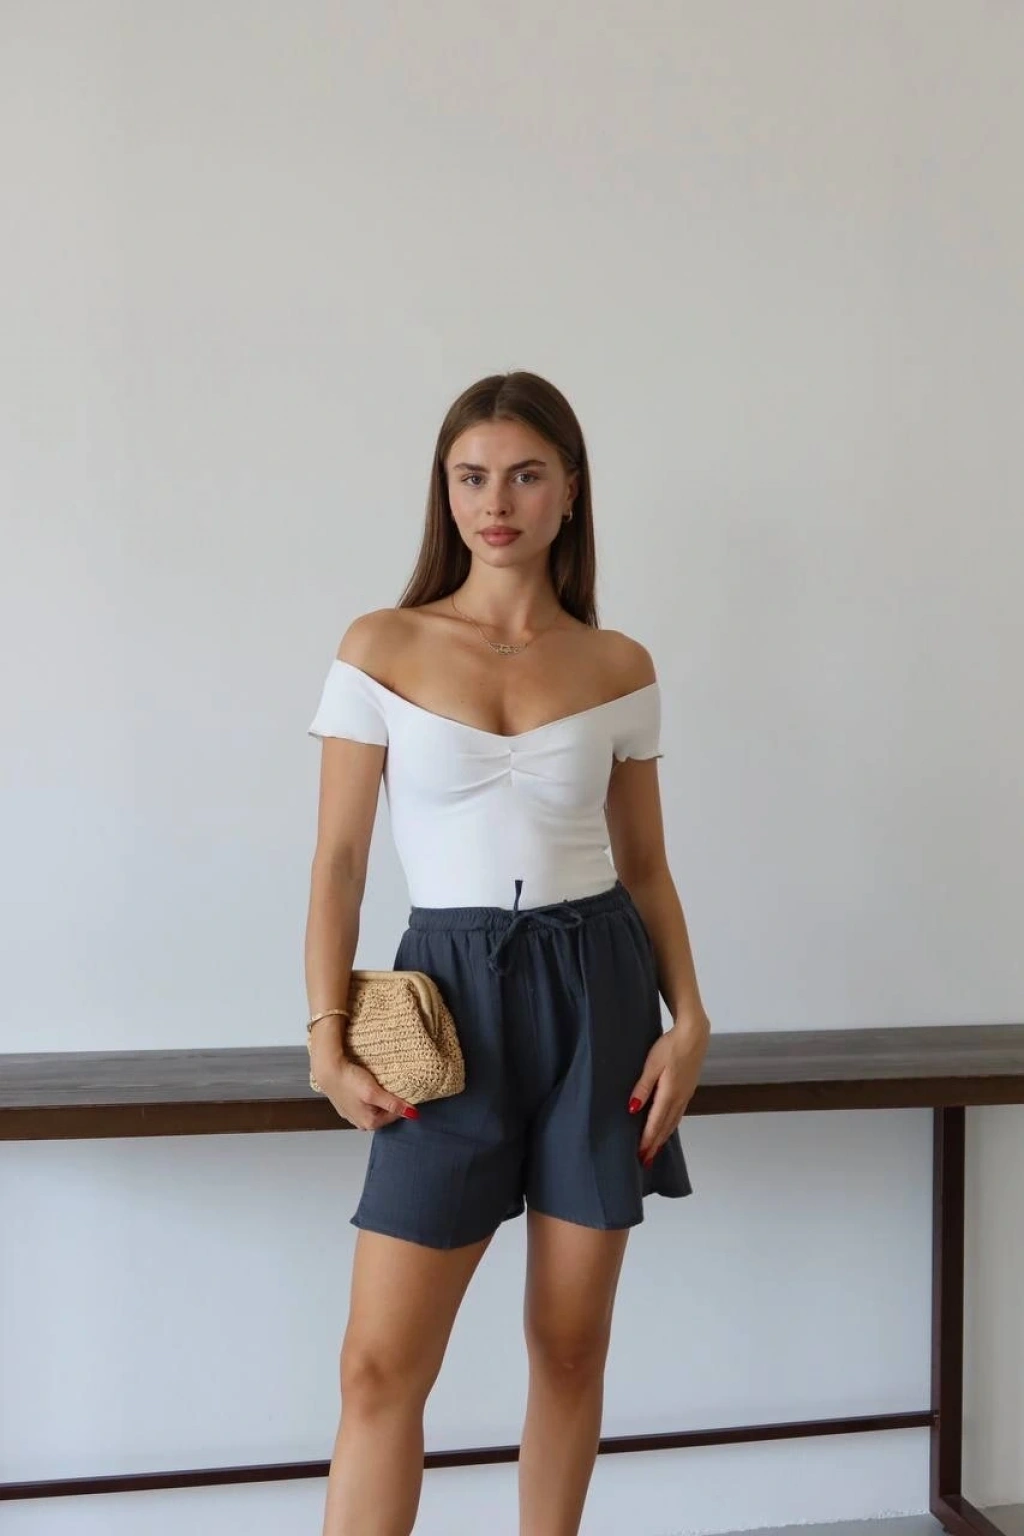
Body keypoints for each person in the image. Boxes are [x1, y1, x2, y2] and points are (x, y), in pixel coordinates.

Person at [304, 371, 711, 1536]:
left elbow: (646, 868)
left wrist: (690, 1020)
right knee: (378, 1368)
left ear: (569, 491)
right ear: (444, 491)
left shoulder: (617, 664)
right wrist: (326, 1036)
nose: (496, 501)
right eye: (472, 476)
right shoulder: (381, 645)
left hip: (600, 995)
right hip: (444, 999)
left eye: (526, 475)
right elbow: (339, 864)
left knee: (569, 1350)